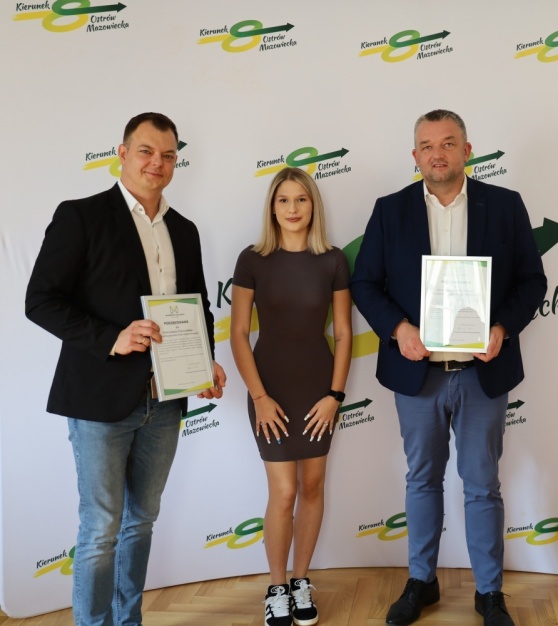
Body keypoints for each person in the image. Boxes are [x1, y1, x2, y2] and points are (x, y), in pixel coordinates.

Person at [25, 112, 226, 626]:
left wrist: (204, 361)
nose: (157, 163)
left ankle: (127, 620)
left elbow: (197, 307)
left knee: (142, 522)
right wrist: (110, 339)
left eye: (168, 155)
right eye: (146, 151)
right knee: (101, 528)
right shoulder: (81, 216)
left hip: (165, 400)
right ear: (122, 153)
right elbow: (40, 300)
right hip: (99, 400)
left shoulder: (184, 230)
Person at [350, 110, 547, 626]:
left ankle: (490, 593)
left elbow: (532, 280)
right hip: (418, 375)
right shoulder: (390, 210)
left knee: (482, 484)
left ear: (467, 150)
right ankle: (422, 580)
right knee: (422, 480)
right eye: (427, 145)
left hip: (483, 373)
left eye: (448, 143)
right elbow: (365, 283)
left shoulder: (504, 205)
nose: (437, 154)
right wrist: (398, 329)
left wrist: (502, 327)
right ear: (414, 155)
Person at [230, 167, 352, 626]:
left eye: (301, 199)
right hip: (270, 390)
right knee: (283, 492)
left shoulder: (333, 260)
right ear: (272, 207)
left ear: (313, 205)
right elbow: (238, 335)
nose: (293, 208)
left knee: (313, 485)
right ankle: (277, 586)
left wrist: (335, 395)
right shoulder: (252, 259)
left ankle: (301, 581)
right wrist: (259, 396)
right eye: (284, 200)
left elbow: (344, 334)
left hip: (319, 389)